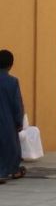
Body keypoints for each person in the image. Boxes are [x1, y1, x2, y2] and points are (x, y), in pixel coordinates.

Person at [0, 50, 25, 183]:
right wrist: (19, 122)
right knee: (11, 148)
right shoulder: (12, 82)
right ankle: (11, 171)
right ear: (10, 65)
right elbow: (17, 105)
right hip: (6, 123)